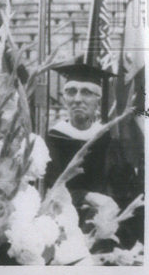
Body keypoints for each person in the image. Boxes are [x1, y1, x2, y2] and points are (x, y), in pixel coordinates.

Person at [44, 61, 115, 202]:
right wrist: (85, 197)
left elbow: (120, 188)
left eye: (86, 92)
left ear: (98, 101)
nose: (77, 99)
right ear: (64, 99)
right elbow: (50, 187)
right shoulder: (54, 138)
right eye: (71, 92)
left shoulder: (107, 140)